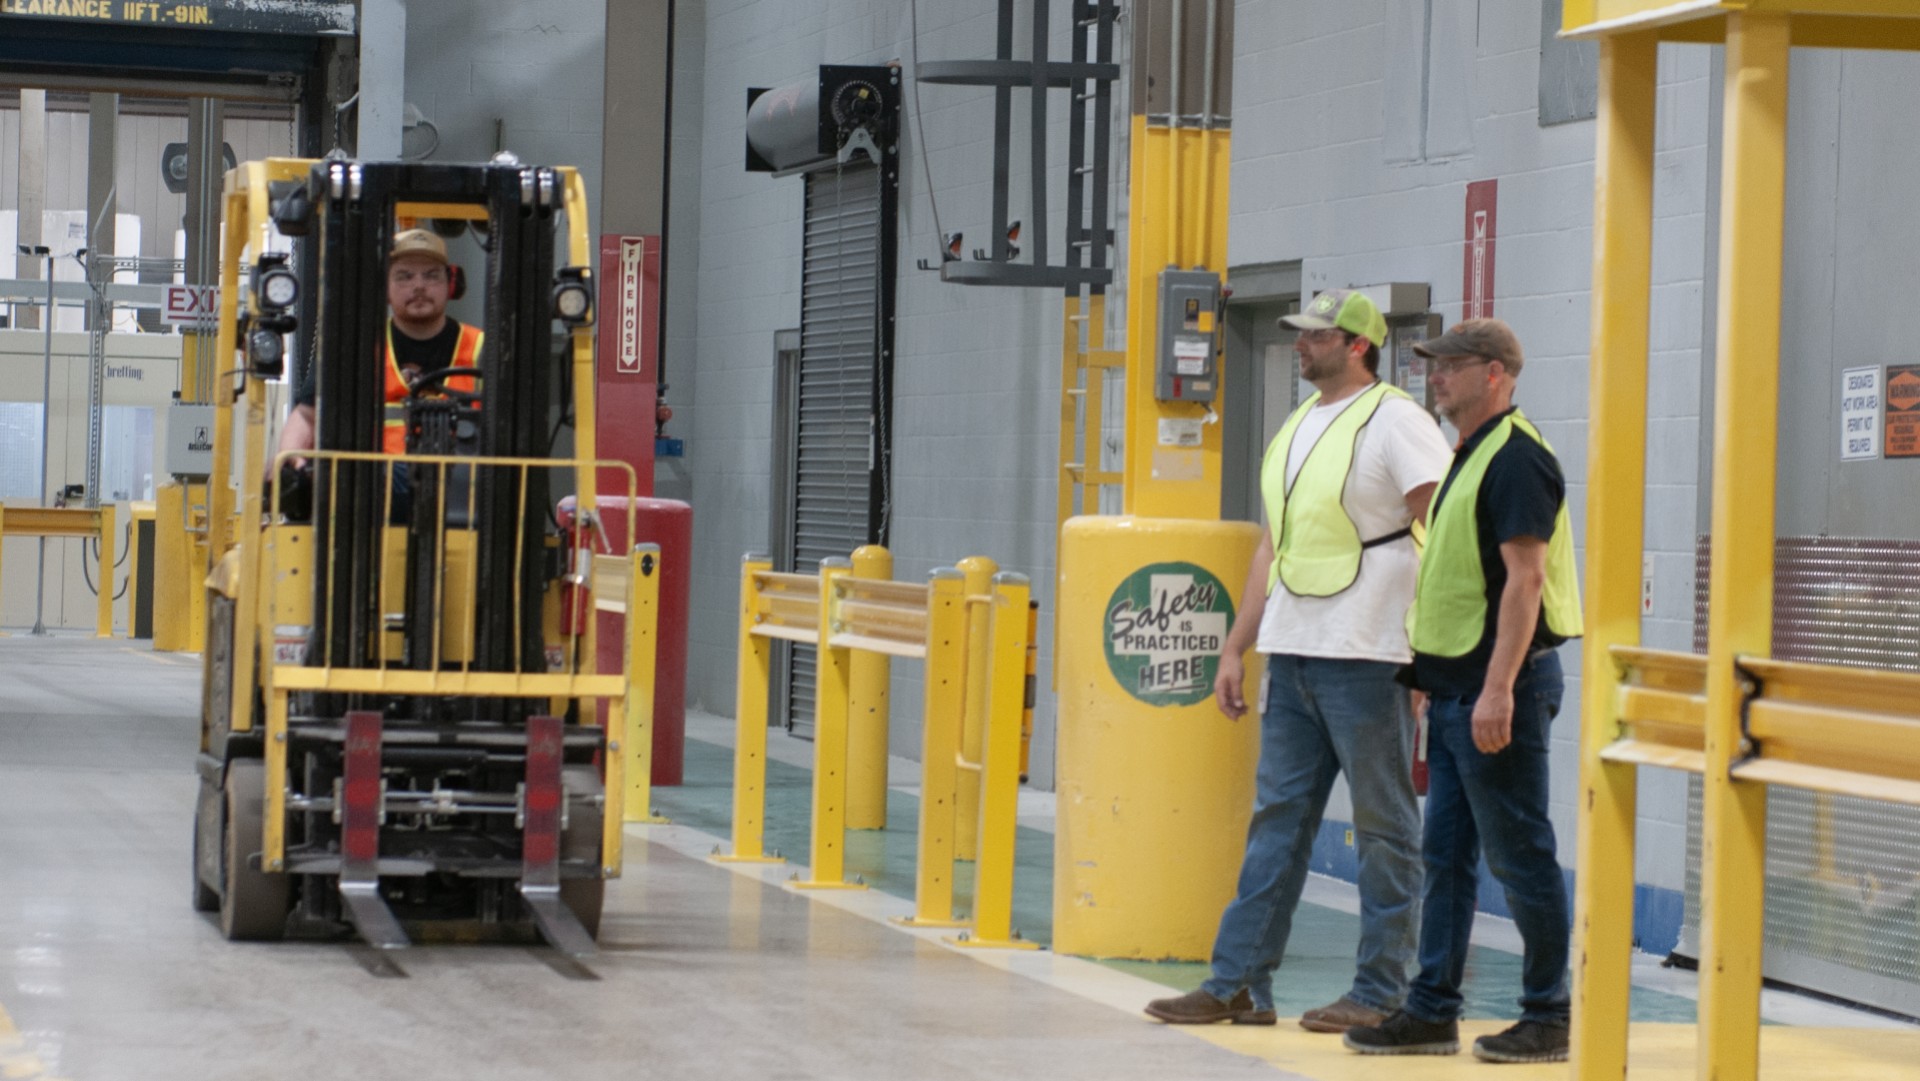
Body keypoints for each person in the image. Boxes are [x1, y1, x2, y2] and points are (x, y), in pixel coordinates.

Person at [1145, 289, 1452, 1033]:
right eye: (1300, 333)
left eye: (1316, 335)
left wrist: (1428, 654)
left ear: (1356, 346)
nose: (1301, 343)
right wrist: (1235, 645)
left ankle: (1380, 992)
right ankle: (1238, 982)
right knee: (1276, 823)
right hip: (1297, 653)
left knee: (1385, 830)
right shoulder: (1295, 427)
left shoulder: (1396, 420)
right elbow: (1271, 548)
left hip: (1369, 655)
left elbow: (1439, 528)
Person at [1343, 318, 1582, 1064]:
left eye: (1451, 365)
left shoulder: (1515, 459)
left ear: (1497, 374)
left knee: (1520, 854)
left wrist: (1498, 690)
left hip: (1496, 688)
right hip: (1453, 688)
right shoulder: (1465, 456)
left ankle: (1548, 1014)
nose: (1435, 376)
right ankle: (1432, 1007)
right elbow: (1456, 580)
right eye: (1433, 365)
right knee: (1445, 855)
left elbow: (1525, 581)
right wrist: (1430, 675)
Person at [276, 228, 484, 458]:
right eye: (404, 276)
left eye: (431, 275)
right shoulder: (355, 347)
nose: (419, 286)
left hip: (464, 484)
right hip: (374, 483)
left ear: (452, 285)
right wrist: (289, 459)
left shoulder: (484, 349)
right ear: (384, 287)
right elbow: (307, 416)